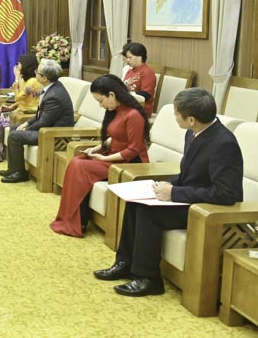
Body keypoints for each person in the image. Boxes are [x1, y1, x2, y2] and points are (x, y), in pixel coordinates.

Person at [93, 88, 243, 296]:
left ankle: (149, 279)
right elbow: (189, 174)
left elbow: (226, 194)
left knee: (148, 212)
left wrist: (174, 193)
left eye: (176, 114)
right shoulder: (193, 132)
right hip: (190, 197)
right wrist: (164, 185)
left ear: (191, 120)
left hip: (207, 208)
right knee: (135, 202)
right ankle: (125, 263)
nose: (174, 117)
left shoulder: (224, 143)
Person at [50, 74, 151, 236]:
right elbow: (116, 137)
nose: (100, 105)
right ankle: (74, 219)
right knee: (76, 161)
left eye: (101, 101)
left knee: (80, 166)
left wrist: (104, 158)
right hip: (114, 156)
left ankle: (79, 221)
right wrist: (97, 148)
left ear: (112, 94)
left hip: (130, 163)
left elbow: (133, 150)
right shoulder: (116, 110)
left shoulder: (133, 115)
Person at [0, 58, 74, 183]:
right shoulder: (51, 88)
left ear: (44, 78)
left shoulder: (54, 96)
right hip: (46, 128)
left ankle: (20, 173)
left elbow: (44, 122)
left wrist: (26, 129)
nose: (35, 74)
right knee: (13, 129)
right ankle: (13, 169)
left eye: (37, 72)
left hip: (53, 134)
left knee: (15, 136)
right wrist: (26, 123)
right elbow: (40, 115)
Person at [0, 53, 42, 162]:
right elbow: (22, 100)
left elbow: (18, 97)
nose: (17, 66)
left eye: (19, 63)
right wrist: (11, 107)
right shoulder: (25, 79)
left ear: (25, 65)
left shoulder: (33, 81)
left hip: (28, 114)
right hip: (20, 110)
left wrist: (16, 79)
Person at [121, 42, 157, 115]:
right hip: (127, 105)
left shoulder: (147, 72)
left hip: (140, 109)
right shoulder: (130, 71)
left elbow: (146, 94)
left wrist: (126, 94)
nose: (128, 60)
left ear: (140, 56)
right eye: (127, 58)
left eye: (130, 57)